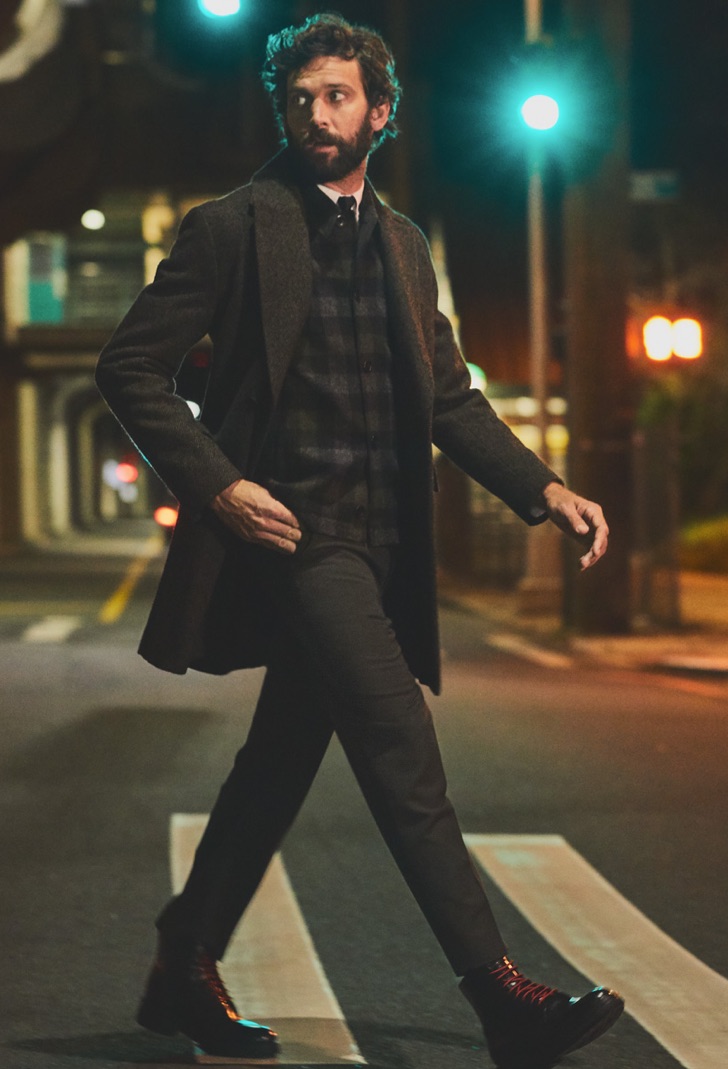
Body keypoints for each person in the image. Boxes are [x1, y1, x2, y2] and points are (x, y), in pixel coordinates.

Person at [95, 12, 623, 1068]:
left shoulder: (400, 242)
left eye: (335, 97)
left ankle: (180, 963)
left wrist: (544, 487)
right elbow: (129, 368)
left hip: (384, 550)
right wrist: (219, 485)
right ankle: (499, 994)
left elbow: (447, 399)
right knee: (401, 753)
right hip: (300, 540)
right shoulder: (231, 225)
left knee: (275, 766)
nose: (314, 115)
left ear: (378, 114)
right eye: (298, 98)